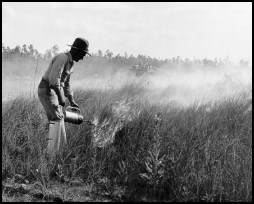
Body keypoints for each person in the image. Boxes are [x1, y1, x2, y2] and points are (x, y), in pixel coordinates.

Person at [38, 37, 92, 158]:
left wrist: (72, 101)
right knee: (57, 118)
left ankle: (60, 150)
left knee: (59, 117)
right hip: (47, 89)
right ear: (76, 51)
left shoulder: (70, 63)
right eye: (83, 54)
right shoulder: (62, 58)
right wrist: (61, 98)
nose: (82, 58)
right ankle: (51, 155)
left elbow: (67, 84)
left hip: (52, 91)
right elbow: (53, 80)